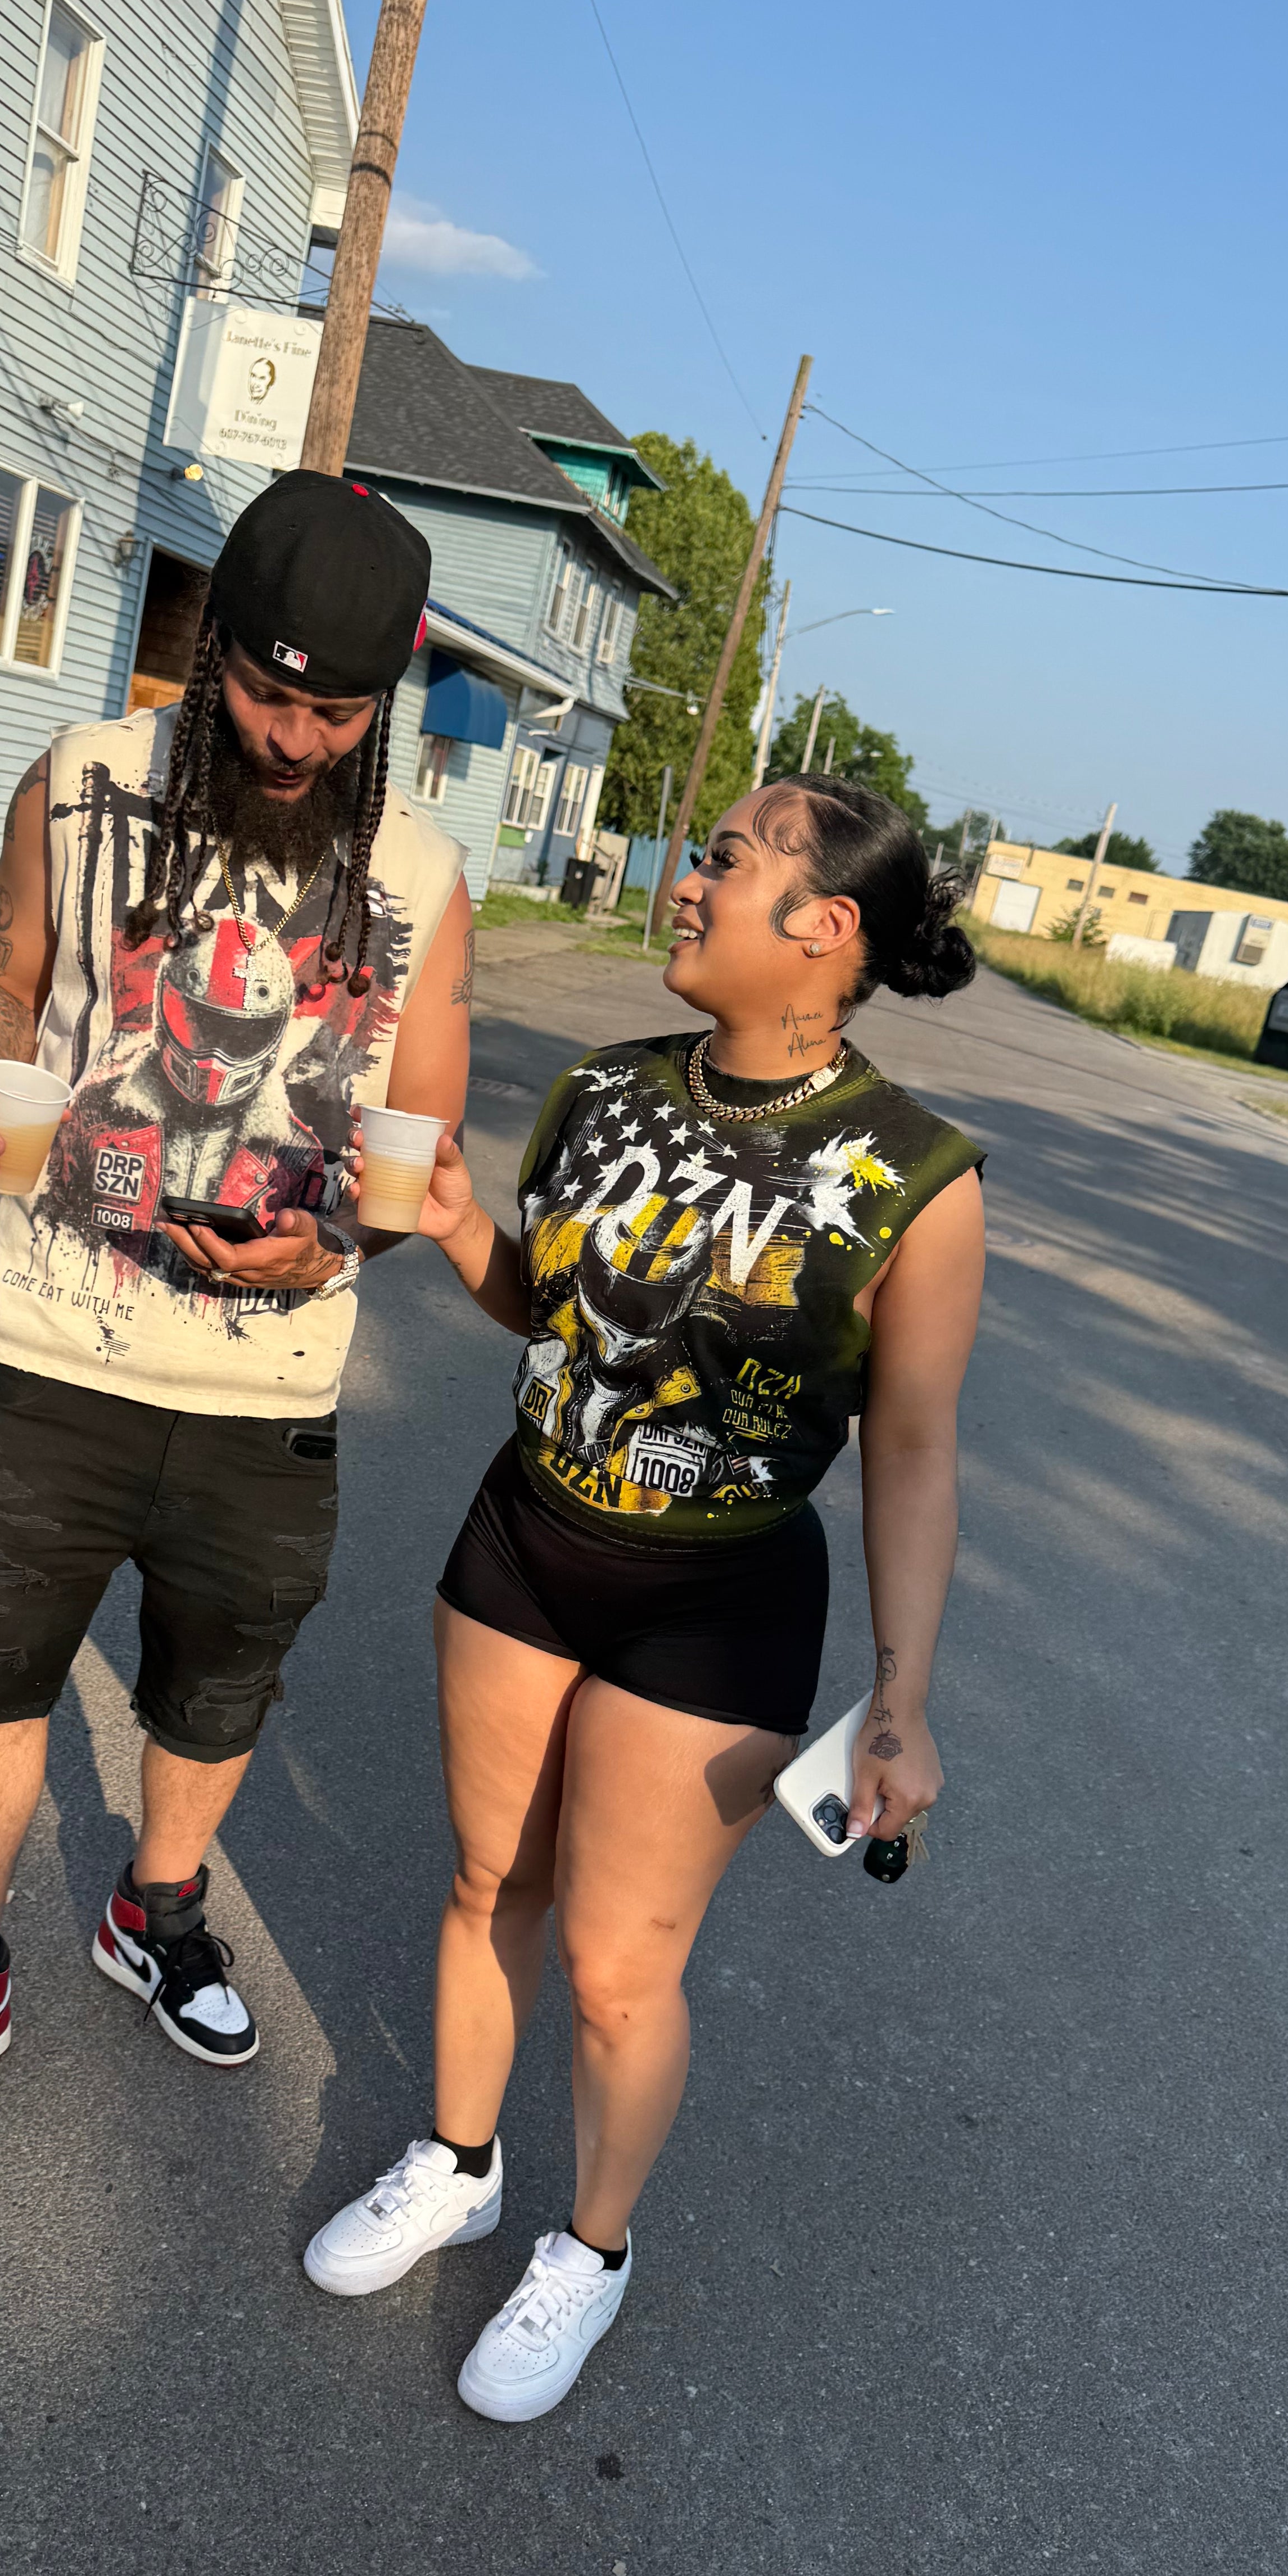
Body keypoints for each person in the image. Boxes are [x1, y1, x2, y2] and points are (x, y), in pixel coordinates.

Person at [302, 774, 985, 2420]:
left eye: (727, 861)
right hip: (524, 1542)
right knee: (492, 1882)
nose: (686, 880)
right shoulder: (602, 1091)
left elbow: (910, 1449)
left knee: (619, 1968)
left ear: (823, 926)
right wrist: (458, 1223)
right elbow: (548, 1308)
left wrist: (903, 1693)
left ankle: (589, 2251)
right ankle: (458, 2162)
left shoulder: (918, 1175)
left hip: (719, 1601)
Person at [0, 471, 471, 2153]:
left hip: (268, 1392)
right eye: (267, 696)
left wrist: (339, 1246)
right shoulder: (82, 779)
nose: (298, 742)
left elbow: (419, 1148)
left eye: (340, 716)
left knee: (213, 1693)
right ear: (212, 648)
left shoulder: (420, 872)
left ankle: (156, 1910)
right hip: (45, 1349)